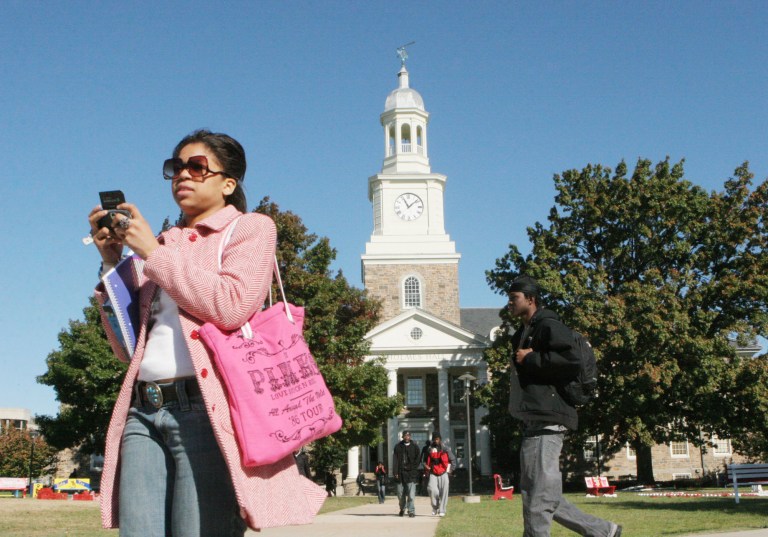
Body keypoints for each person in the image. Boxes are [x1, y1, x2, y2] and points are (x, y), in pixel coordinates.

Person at [89, 130, 326, 536]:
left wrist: (152, 253)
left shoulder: (250, 229)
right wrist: (113, 264)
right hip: (142, 410)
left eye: (196, 166)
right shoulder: (163, 242)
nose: (183, 174)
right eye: (175, 167)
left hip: (206, 410)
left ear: (228, 183)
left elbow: (232, 306)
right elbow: (127, 349)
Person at [507, 276, 622, 537]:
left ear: (531, 300)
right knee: (538, 493)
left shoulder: (549, 326)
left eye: (514, 298)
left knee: (538, 498)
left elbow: (571, 362)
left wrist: (532, 358)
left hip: (549, 418)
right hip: (533, 419)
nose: (510, 303)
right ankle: (605, 531)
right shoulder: (522, 333)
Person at [425, 432, 456, 517]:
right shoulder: (429, 449)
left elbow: (453, 459)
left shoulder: (445, 448)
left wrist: (451, 470)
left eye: (437, 439)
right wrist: (426, 466)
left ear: (440, 439)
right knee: (431, 489)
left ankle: (442, 510)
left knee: (444, 492)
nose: (436, 440)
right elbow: (424, 460)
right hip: (433, 472)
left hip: (443, 472)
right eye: (435, 439)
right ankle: (435, 507)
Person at [392, 430, 421, 518]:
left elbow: (418, 459)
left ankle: (411, 511)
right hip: (400, 473)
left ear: (410, 437)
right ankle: (402, 508)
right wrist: (395, 472)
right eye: (405, 435)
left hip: (411, 474)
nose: (407, 437)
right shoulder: (398, 447)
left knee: (411, 494)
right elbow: (395, 460)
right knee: (400, 494)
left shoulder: (415, 447)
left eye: (408, 435)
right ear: (403, 437)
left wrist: (414, 469)